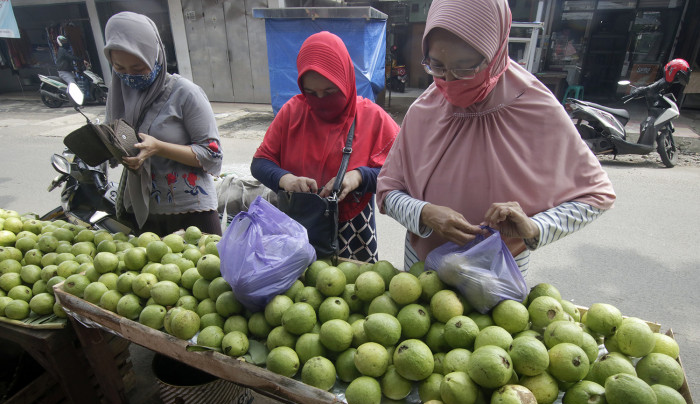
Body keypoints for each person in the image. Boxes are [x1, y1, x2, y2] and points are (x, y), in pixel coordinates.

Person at [376, 0, 616, 276]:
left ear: (496, 52)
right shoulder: (424, 111)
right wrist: (423, 213)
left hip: (498, 275)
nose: (451, 81)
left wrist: (535, 228)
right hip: (422, 273)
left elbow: (596, 195)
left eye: (465, 68)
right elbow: (387, 191)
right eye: (437, 67)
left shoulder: (537, 109)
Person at [251, 31, 400, 263]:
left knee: (352, 291)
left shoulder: (372, 118)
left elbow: (400, 174)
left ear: (346, 82)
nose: (320, 100)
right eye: (311, 93)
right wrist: (286, 180)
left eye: (330, 92)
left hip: (353, 230)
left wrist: (358, 177)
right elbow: (260, 163)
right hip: (297, 224)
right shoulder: (292, 112)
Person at [103, 12, 223, 237]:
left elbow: (212, 154)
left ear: (155, 55)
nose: (130, 76)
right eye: (120, 69)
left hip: (192, 212)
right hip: (144, 212)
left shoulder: (185, 93)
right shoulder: (118, 96)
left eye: (138, 68)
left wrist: (159, 147)